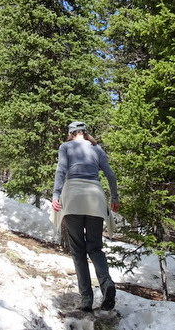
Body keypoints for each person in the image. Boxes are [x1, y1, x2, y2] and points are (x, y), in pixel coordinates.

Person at [51, 121, 120, 312]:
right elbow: (111, 175)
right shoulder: (96, 148)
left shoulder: (65, 147)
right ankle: (107, 285)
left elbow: (61, 170)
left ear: (71, 133)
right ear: (84, 132)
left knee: (78, 251)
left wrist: (56, 194)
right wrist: (114, 197)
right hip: (95, 198)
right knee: (95, 248)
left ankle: (86, 299)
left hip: (72, 198)